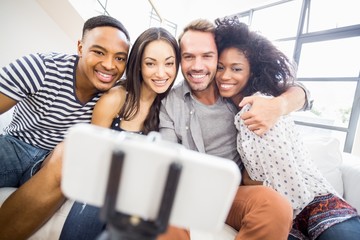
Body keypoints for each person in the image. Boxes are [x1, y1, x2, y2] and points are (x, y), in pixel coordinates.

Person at [159, 18, 313, 240]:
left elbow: (303, 92)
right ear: (180, 60)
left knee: (275, 205)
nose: (197, 66)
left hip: (229, 194)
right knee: (162, 208)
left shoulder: (236, 90)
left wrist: (279, 106)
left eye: (207, 56)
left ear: (217, 56)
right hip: (186, 191)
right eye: (188, 56)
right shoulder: (169, 101)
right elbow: (167, 155)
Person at [214, 16, 360, 240]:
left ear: (251, 72)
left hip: (315, 200)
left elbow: (302, 94)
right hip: (280, 210)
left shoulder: (263, 103)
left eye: (236, 69)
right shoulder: (228, 108)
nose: (225, 75)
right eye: (220, 67)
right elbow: (259, 174)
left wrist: (279, 105)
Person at [0, 15, 131, 239]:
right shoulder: (41, 67)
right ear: (80, 47)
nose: (109, 65)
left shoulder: (115, 96)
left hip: (53, 164)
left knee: (71, 152)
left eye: (119, 58)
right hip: (16, 147)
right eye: (99, 52)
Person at [59, 27, 188, 240]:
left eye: (169, 63)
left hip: (139, 191)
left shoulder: (169, 105)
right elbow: (91, 156)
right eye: (150, 63)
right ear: (138, 65)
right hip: (102, 183)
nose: (161, 73)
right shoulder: (115, 99)